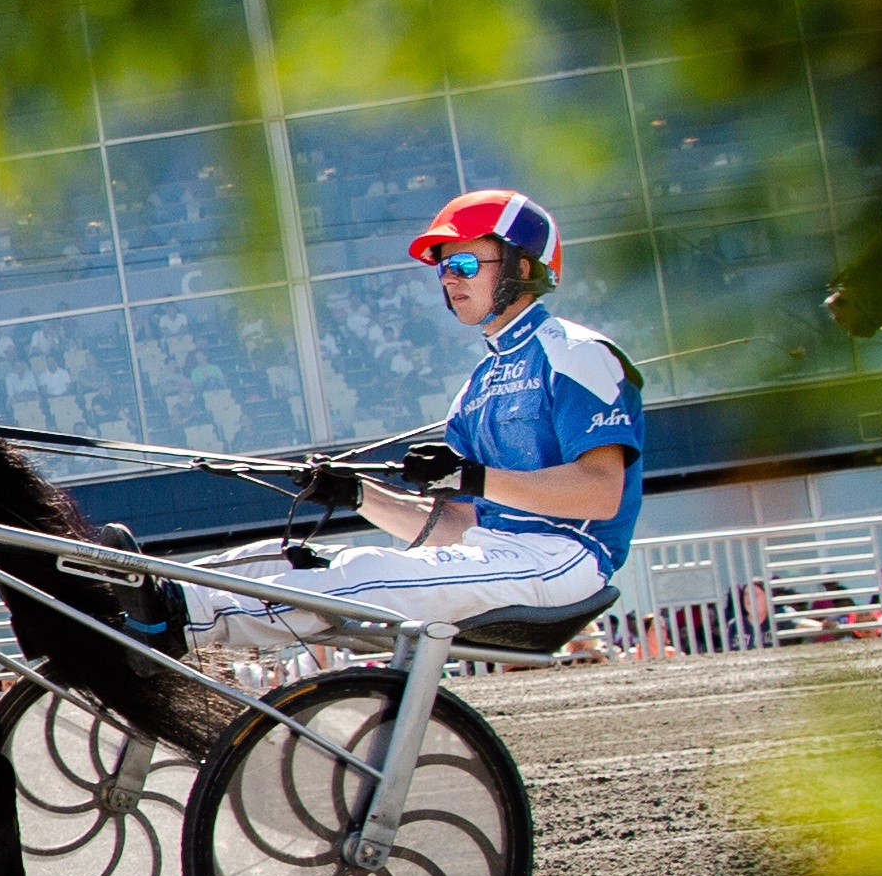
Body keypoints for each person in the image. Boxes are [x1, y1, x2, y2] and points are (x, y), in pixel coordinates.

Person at [178, 188, 645, 639]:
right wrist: (360, 493)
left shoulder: (577, 354)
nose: (448, 278)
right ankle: (156, 590)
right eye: (443, 268)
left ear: (521, 267)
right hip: (495, 554)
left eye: (464, 263)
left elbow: (600, 493)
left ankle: (181, 621)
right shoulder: (475, 389)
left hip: (563, 558)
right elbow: (458, 527)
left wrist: (474, 477)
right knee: (280, 559)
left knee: (365, 572)